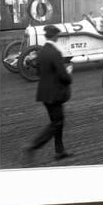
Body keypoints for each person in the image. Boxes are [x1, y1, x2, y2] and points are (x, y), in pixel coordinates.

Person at [25, 25, 73, 161]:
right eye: (58, 35)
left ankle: (60, 151)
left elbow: (39, 72)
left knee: (57, 122)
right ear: (55, 36)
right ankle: (33, 145)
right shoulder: (55, 52)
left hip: (44, 94)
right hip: (55, 94)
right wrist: (68, 73)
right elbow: (63, 76)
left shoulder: (43, 51)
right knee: (56, 123)